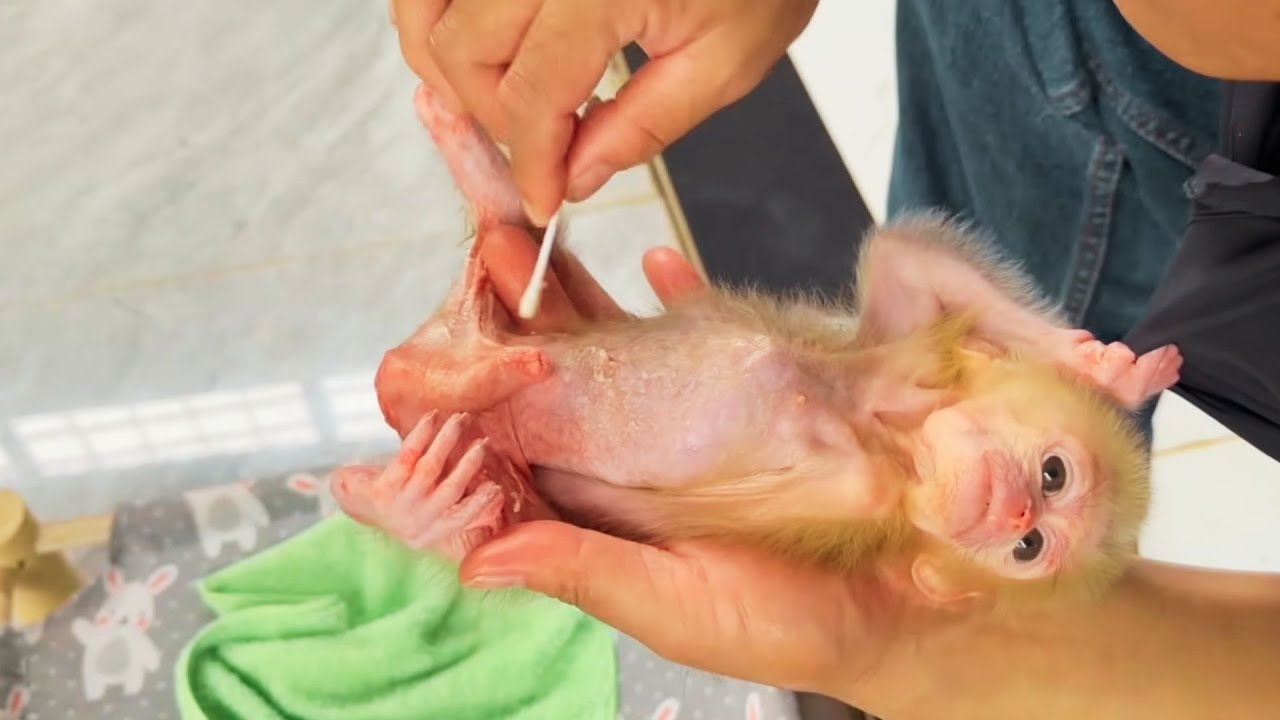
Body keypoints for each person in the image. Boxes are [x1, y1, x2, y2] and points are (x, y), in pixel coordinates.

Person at [387, 1, 1280, 717]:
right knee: (517, 259)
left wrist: (904, 655)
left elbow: (609, 525)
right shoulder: (905, 375)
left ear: (943, 579)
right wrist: (1056, 343)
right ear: (1010, 375)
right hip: (1179, 74)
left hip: (552, 462)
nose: (1015, 508)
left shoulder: (860, 496)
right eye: (1052, 475)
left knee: (463, 483)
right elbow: (902, 257)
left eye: (1027, 547)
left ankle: (416, 508)